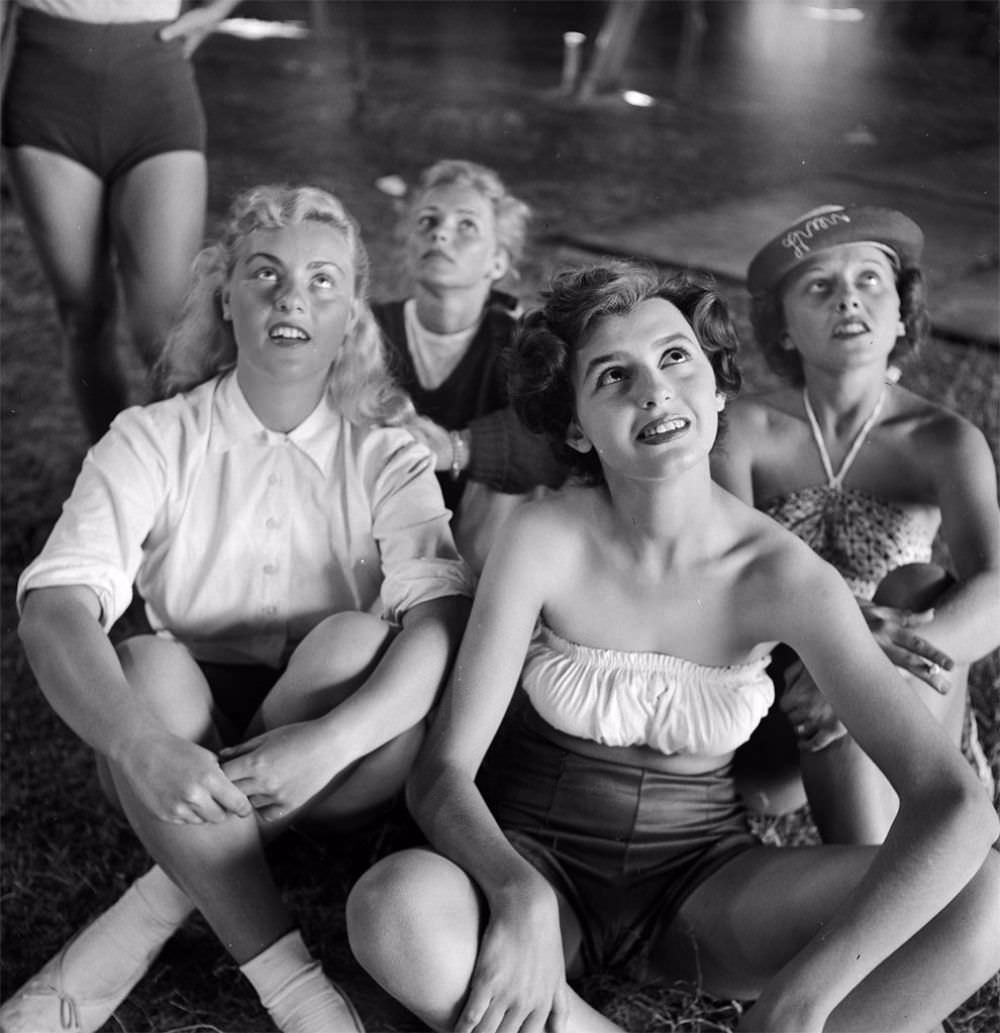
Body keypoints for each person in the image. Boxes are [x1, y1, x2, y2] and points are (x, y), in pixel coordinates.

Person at [346, 262, 1000, 1033]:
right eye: (613, 375)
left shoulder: (785, 574)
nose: (653, 390)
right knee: (392, 911)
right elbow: (441, 774)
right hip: (535, 865)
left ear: (719, 387)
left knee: (984, 900)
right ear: (575, 425)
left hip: (706, 885)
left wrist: (803, 999)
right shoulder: (542, 537)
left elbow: (955, 804)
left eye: (675, 357)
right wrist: (515, 891)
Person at [1, 185, 473, 1033]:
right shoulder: (149, 437)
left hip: (334, 752)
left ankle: (158, 897)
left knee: (356, 639)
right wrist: (137, 743)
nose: (292, 296)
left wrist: (326, 740)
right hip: (168, 746)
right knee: (145, 663)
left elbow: (441, 621)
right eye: (265, 273)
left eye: (323, 280)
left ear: (352, 315)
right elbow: (55, 606)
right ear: (227, 295)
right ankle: (301, 997)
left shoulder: (389, 451)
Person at [710, 204, 1000, 844]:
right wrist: (831, 640)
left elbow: (996, 589)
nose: (848, 300)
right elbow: (723, 574)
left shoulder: (944, 440)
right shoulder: (743, 432)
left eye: (870, 279)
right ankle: (882, 878)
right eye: (819, 286)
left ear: (902, 312)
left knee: (919, 583)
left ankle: (877, 872)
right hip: (777, 705)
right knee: (826, 650)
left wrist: (860, 665)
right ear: (782, 327)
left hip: (900, 706)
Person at [1, 0, 240, 441]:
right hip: (46, 91)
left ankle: (188, 484)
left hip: (154, 85)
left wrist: (218, 9)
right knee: (84, 314)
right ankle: (110, 475)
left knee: (169, 333)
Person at [372, 159, 566, 570]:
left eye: (467, 226)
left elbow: (552, 444)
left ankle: (472, 607)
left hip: (473, 543)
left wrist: (455, 448)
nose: (440, 233)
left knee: (510, 487)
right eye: (427, 221)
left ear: (497, 262)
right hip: (377, 531)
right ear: (409, 247)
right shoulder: (370, 332)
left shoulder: (519, 340)